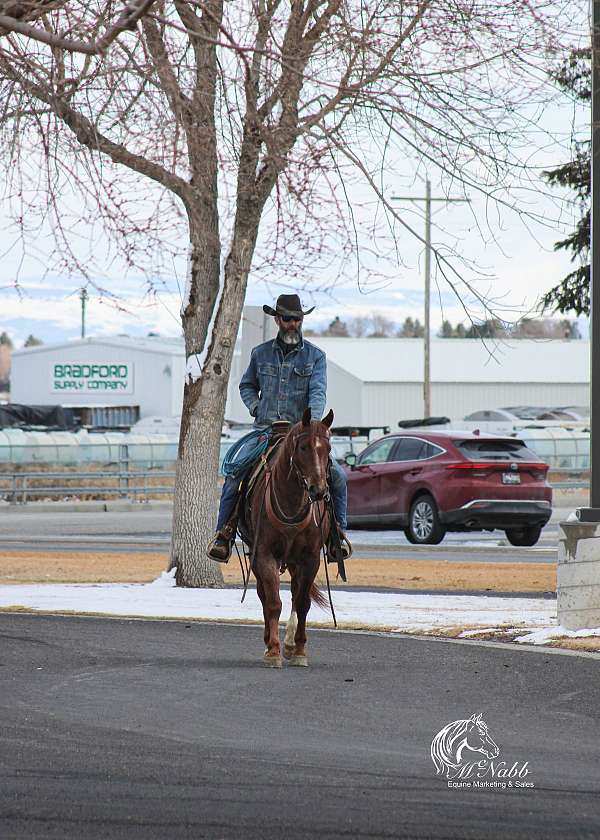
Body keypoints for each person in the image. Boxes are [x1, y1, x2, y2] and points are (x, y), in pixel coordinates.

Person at [207, 293, 350, 563]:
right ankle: (223, 534)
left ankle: (337, 536)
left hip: (302, 433)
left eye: (297, 319)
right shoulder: (260, 354)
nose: (293, 324)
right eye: (287, 319)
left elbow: (318, 392)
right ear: (277, 319)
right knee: (235, 475)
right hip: (266, 431)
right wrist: (256, 407)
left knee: (338, 477)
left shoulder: (316, 357)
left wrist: (310, 423)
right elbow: (246, 385)